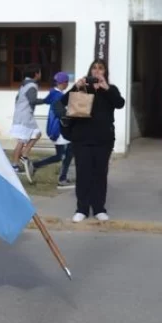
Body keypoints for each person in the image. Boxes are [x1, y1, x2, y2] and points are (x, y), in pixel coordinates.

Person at [61, 59, 125, 223]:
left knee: (100, 173)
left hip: (103, 139)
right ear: (89, 71)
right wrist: (76, 86)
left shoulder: (110, 90)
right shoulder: (83, 89)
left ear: (105, 72)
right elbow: (63, 102)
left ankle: (99, 208)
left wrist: (106, 88)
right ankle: (82, 208)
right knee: (83, 173)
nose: (97, 71)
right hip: (81, 138)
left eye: (100, 68)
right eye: (94, 68)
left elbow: (120, 103)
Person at [32, 71, 74, 189]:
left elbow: (46, 102)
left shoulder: (54, 93)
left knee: (61, 155)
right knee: (67, 153)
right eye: (67, 82)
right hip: (60, 129)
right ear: (64, 82)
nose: (67, 84)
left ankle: (36, 164)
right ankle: (62, 179)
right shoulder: (58, 95)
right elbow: (60, 113)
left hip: (55, 129)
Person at [10, 63, 43, 183]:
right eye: (39, 72)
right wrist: (46, 100)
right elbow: (33, 100)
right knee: (22, 141)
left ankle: (24, 154)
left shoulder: (24, 84)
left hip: (22, 115)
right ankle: (14, 165)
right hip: (24, 117)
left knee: (37, 133)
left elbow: (17, 99)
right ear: (36, 74)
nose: (40, 74)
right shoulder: (32, 86)